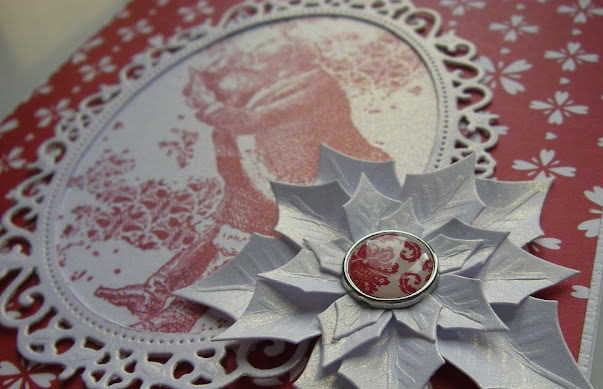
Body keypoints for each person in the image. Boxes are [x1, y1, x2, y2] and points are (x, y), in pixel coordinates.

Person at [95, 25, 390, 332]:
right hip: (258, 180)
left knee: (235, 247)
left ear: (291, 56)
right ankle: (154, 292)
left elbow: (250, 120)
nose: (255, 57)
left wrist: (208, 103)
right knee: (213, 236)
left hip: (313, 187)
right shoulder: (268, 82)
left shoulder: (314, 84)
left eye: (267, 51)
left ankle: (184, 314)